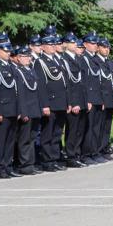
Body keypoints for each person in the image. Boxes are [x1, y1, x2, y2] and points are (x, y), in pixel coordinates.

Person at [35, 32, 68, 172]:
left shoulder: (58, 60)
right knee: (47, 134)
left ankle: (54, 159)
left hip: (61, 103)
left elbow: (65, 83)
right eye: (50, 44)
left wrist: (67, 102)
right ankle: (47, 161)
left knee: (57, 133)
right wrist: (45, 105)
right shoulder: (40, 62)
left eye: (54, 44)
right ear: (43, 47)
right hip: (51, 103)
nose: (53, 46)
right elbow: (41, 86)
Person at [0, 38, 20, 179]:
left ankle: (8, 166)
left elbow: (16, 90)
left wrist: (18, 109)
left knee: (10, 140)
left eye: (9, 51)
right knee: (0, 141)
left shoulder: (11, 66)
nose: (8, 53)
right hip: (3, 109)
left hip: (12, 108)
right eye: (5, 51)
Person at [14, 46, 42, 175]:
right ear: (19, 58)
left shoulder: (31, 71)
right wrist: (23, 111)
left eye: (29, 56)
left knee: (32, 137)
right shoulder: (18, 72)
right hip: (27, 110)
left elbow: (37, 91)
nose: (28, 59)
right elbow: (20, 94)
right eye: (25, 56)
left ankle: (30, 163)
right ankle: (24, 164)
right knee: (24, 139)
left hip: (34, 109)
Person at [61, 32, 87, 168]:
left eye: (75, 42)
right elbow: (68, 84)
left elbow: (83, 82)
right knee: (72, 130)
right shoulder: (64, 59)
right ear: (65, 44)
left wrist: (85, 101)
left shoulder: (78, 58)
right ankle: (70, 156)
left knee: (79, 130)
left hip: (82, 100)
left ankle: (77, 154)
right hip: (74, 101)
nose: (75, 44)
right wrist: (73, 102)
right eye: (72, 42)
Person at [80, 32, 105, 164]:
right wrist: (87, 99)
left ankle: (95, 152)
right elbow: (84, 81)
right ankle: (86, 154)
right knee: (88, 129)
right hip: (90, 98)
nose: (95, 45)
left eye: (96, 43)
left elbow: (99, 81)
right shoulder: (83, 58)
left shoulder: (95, 59)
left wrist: (102, 99)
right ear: (85, 44)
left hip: (98, 98)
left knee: (96, 128)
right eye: (92, 43)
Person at [96, 37, 113, 159]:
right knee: (99, 126)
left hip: (110, 98)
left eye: (108, 48)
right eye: (104, 47)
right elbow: (98, 83)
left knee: (107, 127)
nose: (107, 50)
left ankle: (104, 148)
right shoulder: (96, 61)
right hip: (102, 98)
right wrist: (101, 100)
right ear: (98, 47)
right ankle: (98, 150)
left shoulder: (109, 62)